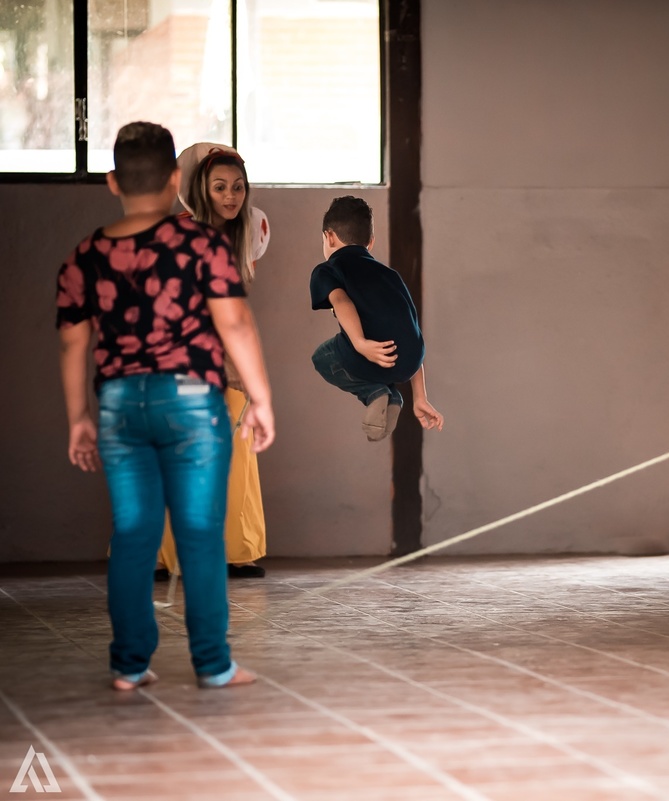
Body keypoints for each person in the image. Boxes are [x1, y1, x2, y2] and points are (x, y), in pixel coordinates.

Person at [56, 121, 272, 689]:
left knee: (134, 532)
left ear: (111, 182)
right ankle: (213, 664)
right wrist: (262, 397)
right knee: (200, 533)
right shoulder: (202, 244)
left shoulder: (87, 255)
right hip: (194, 401)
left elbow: (74, 341)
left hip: (120, 405)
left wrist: (79, 416)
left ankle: (129, 666)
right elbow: (236, 323)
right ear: (177, 179)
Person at [156, 143, 272, 581]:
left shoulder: (243, 233)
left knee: (237, 452)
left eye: (238, 187)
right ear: (202, 189)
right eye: (220, 186)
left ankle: (234, 552)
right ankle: (163, 556)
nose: (230, 195)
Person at [309, 196, 444, 438]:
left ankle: (377, 393)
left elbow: (341, 301)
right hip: (406, 362)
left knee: (322, 357)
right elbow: (409, 330)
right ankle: (391, 396)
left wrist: (361, 344)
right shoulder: (391, 276)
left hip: (370, 358)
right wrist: (421, 396)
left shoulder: (328, 268)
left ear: (328, 237)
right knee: (386, 350)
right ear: (370, 242)